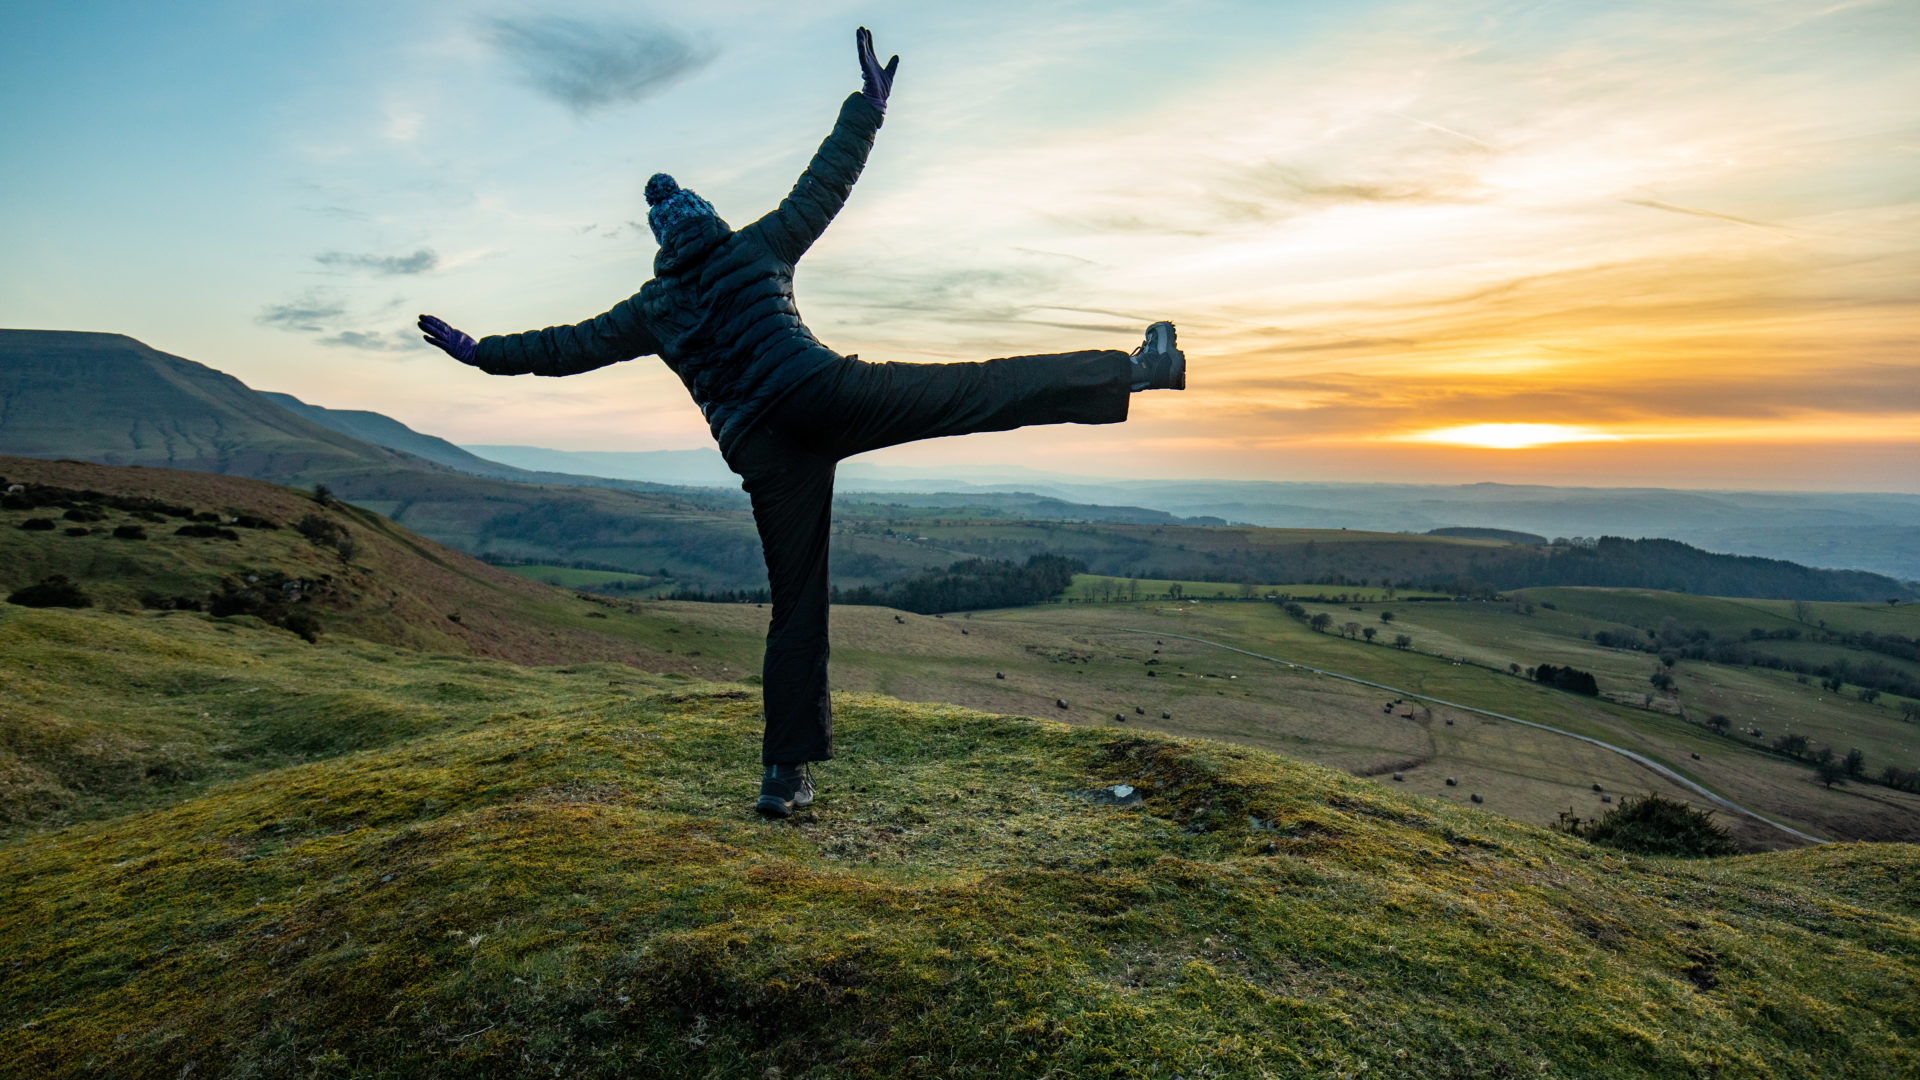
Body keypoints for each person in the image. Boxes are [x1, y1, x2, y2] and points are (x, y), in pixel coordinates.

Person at [419, 26, 1185, 818]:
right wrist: (868, 109)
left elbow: (563, 347)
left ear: (660, 247)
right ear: (708, 219)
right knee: (975, 391)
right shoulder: (757, 247)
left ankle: (784, 779)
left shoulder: (651, 309)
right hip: (823, 394)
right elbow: (826, 183)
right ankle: (1137, 368)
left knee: (796, 611)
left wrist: (482, 354)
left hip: (763, 453)